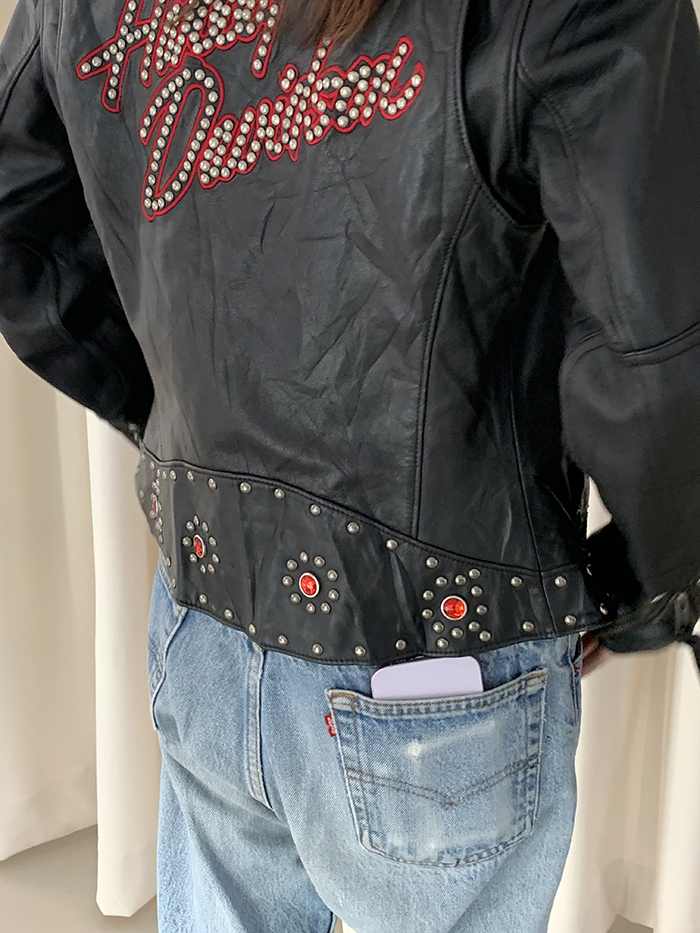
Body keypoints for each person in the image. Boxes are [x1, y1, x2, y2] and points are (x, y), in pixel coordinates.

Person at [1, 0, 700, 929]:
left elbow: (19, 223)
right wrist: (644, 582)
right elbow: (659, 369)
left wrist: (182, 433)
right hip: (443, 663)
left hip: (204, 620)